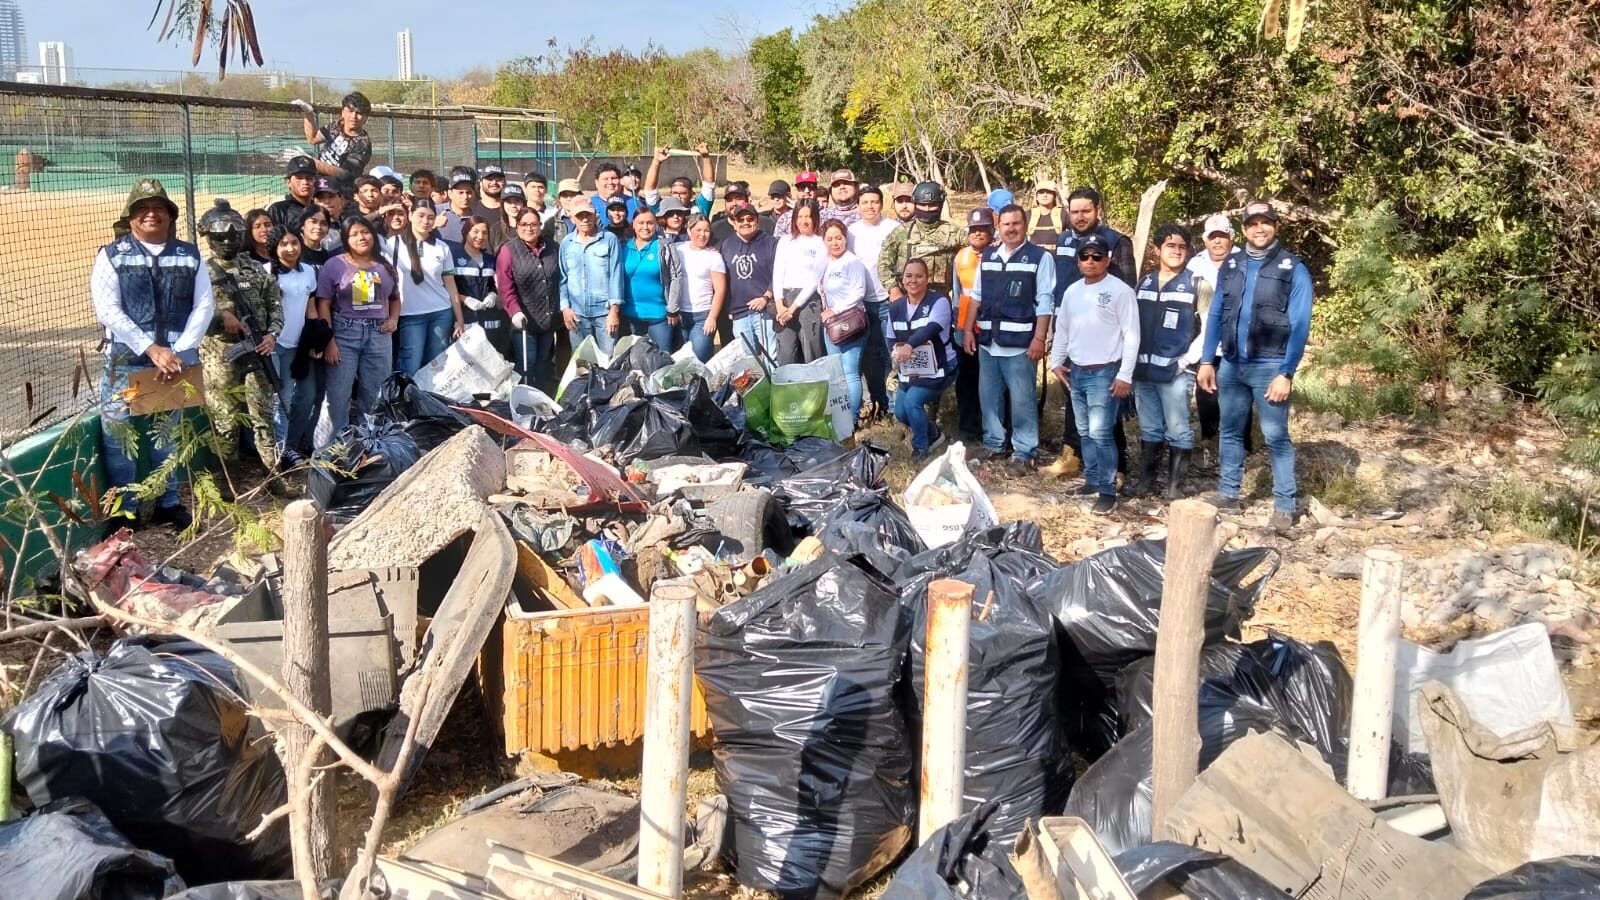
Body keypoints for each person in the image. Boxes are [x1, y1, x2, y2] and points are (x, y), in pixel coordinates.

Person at [93, 178, 213, 531]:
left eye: (158, 208)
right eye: (142, 208)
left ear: (169, 216)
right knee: (118, 437)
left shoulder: (189, 255)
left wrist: (176, 353)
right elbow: (108, 309)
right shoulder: (111, 255)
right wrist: (150, 348)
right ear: (130, 217)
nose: (151, 214)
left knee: (168, 435)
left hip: (174, 364)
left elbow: (204, 306)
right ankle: (124, 511)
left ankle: (169, 502)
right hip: (126, 362)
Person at [1198, 199, 1313, 533]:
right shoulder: (1232, 265)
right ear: (1244, 229)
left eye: (1265, 222)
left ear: (1275, 226)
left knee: (1276, 437)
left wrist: (1286, 372)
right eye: (1252, 223)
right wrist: (1208, 359)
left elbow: (1300, 324)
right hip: (1232, 364)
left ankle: (1284, 506)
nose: (1259, 228)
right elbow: (1216, 313)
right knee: (1230, 430)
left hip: (1271, 365)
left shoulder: (1293, 268)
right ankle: (1229, 492)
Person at [1049, 233, 1138, 513]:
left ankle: (1108, 490)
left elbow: (1132, 335)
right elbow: (1062, 328)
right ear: (1078, 260)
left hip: (1105, 372)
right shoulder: (1072, 291)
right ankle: (1093, 479)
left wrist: (1125, 374)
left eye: (1097, 256)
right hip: (1077, 371)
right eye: (1084, 256)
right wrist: (1055, 360)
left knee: (1101, 432)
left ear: (1108, 259)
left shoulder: (1121, 291)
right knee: (1085, 431)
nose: (1090, 261)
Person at [965, 204, 1055, 477]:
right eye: (1006, 224)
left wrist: (1040, 338)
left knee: (1022, 400)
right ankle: (994, 443)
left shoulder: (1040, 258)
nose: (1011, 228)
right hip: (988, 340)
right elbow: (976, 295)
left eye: (1016, 223)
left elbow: (1045, 301)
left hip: (1019, 344)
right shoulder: (989, 255)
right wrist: (968, 330)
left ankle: (1024, 452)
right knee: (989, 397)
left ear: (1025, 225)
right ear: (998, 227)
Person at [1051, 186, 1134, 471]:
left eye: (1086, 211)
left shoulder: (1116, 242)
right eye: (1074, 212)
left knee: (1107, 411)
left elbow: (1127, 290)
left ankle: (1118, 468)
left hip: (1105, 342)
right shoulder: (1063, 240)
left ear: (1098, 210)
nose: (1080, 216)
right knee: (1075, 400)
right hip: (1071, 334)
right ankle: (1076, 457)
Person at [197, 198, 283, 471]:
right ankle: (228, 480)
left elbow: (274, 305)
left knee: (263, 417)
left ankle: (273, 475)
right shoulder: (201, 273)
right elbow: (191, 316)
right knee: (226, 420)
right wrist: (220, 320)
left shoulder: (255, 269)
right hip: (219, 355)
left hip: (258, 351)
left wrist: (272, 335)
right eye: (220, 236)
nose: (227, 241)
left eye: (233, 235)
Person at [1130, 224, 1209, 499]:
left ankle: (1175, 487)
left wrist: (1185, 361)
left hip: (1176, 371)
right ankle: (1147, 481)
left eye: (1182, 247)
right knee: (1149, 426)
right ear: (1157, 249)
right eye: (1170, 245)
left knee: (1178, 429)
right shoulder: (1144, 283)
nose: (1176, 251)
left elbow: (1209, 329)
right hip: (1143, 370)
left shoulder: (1197, 284)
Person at [317, 217, 400, 440]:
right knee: (337, 394)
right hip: (344, 334)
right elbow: (323, 303)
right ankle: (331, 450)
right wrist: (329, 341)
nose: (361, 238)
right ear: (345, 238)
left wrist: (394, 319)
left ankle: (371, 445)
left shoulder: (385, 267)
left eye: (365, 232)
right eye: (354, 234)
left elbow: (394, 298)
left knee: (375, 394)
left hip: (379, 335)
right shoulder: (334, 265)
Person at [1186, 212, 1248, 448]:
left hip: (1237, 340)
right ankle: (1211, 440)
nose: (1218, 241)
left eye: (1222, 236)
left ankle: (1242, 444)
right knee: (1206, 393)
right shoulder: (1195, 264)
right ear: (1205, 240)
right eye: (1213, 237)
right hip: (1204, 341)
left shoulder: (1245, 260)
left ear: (1231, 236)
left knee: (1238, 396)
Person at [383, 198, 464, 375]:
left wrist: (459, 319)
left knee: (435, 367)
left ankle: (429, 402)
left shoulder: (442, 247)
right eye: (420, 216)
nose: (425, 221)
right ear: (410, 215)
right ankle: (407, 402)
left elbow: (450, 286)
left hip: (441, 313)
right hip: (409, 315)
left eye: (430, 217)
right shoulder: (393, 244)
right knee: (409, 366)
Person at [268, 225, 322, 466]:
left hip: (299, 346)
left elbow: (310, 308)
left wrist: (315, 338)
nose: (291, 248)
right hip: (273, 345)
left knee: (308, 395)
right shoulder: (267, 272)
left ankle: (292, 444)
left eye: (294, 243)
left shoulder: (309, 271)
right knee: (281, 398)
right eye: (283, 244)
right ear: (274, 248)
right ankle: (279, 453)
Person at [890, 258, 955, 459]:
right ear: (902, 279)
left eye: (919, 276)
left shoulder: (940, 301)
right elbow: (890, 337)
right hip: (909, 368)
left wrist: (910, 345)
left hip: (939, 366)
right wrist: (894, 351)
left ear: (926, 279)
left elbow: (932, 328)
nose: (913, 280)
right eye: (909, 276)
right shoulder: (895, 307)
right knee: (901, 412)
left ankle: (921, 448)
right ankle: (933, 434)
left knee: (912, 402)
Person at [850, 184, 906, 418]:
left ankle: (895, 406)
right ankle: (877, 403)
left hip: (889, 300)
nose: (870, 206)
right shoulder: (851, 231)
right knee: (870, 356)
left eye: (874, 202)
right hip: (862, 304)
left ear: (881, 204)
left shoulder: (894, 228)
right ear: (858, 206)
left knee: (892, 353)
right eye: (865, 202)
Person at [497, 207, 563, 392]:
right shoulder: (508, 251)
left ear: (540, 226)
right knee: (527, 363)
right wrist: (515, 311)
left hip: (549, 319)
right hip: (524, 321)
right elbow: (505, 288)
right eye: (524, 224)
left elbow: (560, 280)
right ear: (517, 227)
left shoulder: (553, 248)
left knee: (543, 364)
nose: (529, 228)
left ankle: (541, 402)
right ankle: (522, 403)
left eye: (533, 224)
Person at [818, 219, 871, 420]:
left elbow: (859, 292)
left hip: (851, 323)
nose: (835, 243)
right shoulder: (826, 263)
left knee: (850, 373)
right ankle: (840, 417)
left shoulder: (852, 262)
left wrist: (836, 310)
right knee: (837, 373)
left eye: (838, 238)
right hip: (831, 326)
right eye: (829, 239)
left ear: (845, 239)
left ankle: (853, 418)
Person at [951, 206, 993, 445]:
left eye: (983, 229)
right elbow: (958, 295)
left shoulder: (999, 253)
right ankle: (968, 429)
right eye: (974, 230)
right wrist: (959, 329)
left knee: (993, 382)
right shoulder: (961, 257)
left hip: (992, 328)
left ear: (992, 231)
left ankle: (995, 430)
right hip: (965, 327)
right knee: (967, 380)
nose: (978, 234)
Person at [559, 204, 625, 354]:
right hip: (576, 314)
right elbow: (563, 278)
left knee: (608, 359)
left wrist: (614, 311)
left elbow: (616, 275)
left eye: (587, 215)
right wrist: (565, 308)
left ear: (595, 215)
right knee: (581, 361)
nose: (584, 219)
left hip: (605, 313)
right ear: (572, 219)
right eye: (579, 216)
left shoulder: (609, 239)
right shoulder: (566, 243)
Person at [618, 207, 684, 351]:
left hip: (659, 317)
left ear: (656, 225)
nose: (645, 227)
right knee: (632, 365)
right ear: (633, 224)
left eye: (650, 223)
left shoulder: (665, 246)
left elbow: (676, 277)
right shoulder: (623, 247)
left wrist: (672, 308)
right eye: (641, 223)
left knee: (661, 363)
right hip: (629, 316)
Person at [719, 204, 779, 357]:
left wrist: (766, 297)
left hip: (763, 311)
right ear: (734, 223)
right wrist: (729, 308)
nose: (745, 222)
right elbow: (724, 279)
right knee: (747, 360)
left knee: (770, 355)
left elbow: (779, 275)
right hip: (739, 313)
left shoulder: (771, 243)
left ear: (757, 221)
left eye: (750, 218)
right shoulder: (727, 245)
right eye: (741, 219)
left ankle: (773, 381)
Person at [772, 200, 827, 364]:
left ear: (815, 218)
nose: (804, 221)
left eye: (808, 216)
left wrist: (794, 308)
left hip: (809, 301)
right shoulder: (785, 241)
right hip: (784, 299)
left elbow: (814, 280)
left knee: (812, 350)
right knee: (786, 353)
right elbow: (777, 272)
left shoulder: (820, 242)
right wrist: (780, 304)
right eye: (800, 216)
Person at [451, 216, 511, 360]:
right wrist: (465, 299)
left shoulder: (491, 260)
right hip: (465, 319)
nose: (480, 236)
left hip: (491, 320)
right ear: (466, 232)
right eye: (475, 232)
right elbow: (446, 287)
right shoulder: (453, 258)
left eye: (484, 233)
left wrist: (493, 295)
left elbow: (496, 285)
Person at [293, 91, 371, 189]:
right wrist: (309, 114)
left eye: (359, 113)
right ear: (343, 112)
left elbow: (344, 174)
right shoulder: (337, 125)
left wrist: (311, 162)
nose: (354, 117)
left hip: (340, 190)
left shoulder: (363, 143)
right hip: (319, 180)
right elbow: (312, 139)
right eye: (350, 111)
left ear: (365, 117)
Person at [676, 214, 727, 361]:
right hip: (680, 314)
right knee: (680, 360)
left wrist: (712, 317)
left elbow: (720, 289)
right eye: (698, 230)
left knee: (699, 358)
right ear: (689, 231)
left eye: (706, 231)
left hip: (702, 316)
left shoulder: (713, 257)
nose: (702, 234)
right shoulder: (678, 249)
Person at [641, 143, 716, 216]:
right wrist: (656, 162)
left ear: (691, 195)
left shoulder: (700, 208)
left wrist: (706, 157)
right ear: (670, 194)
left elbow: (709, 183)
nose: (678, 196)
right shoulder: (662, 208)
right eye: (675, 193)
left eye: (683, 193)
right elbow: (650, 190)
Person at [267, 155, 318, 232]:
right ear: (288, 182)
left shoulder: (320, 209)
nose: (305, 182)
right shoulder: (278, 210)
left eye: (309, 178)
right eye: (299, 178)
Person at [436, 169, 477, 244]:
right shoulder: (435, 212)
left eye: (469, 192)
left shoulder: (476, 219)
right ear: (450, 194)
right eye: (460, 192)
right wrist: (432, 225)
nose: (465, 196)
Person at [1027, 181, 1065, 246]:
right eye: (1041, 193)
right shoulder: (1027, 215)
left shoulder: (1063, 214)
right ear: (1036, 196)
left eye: (1049, 192)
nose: (1045, 195)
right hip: (1033, 255)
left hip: (1056, 255)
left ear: (1054, 196)